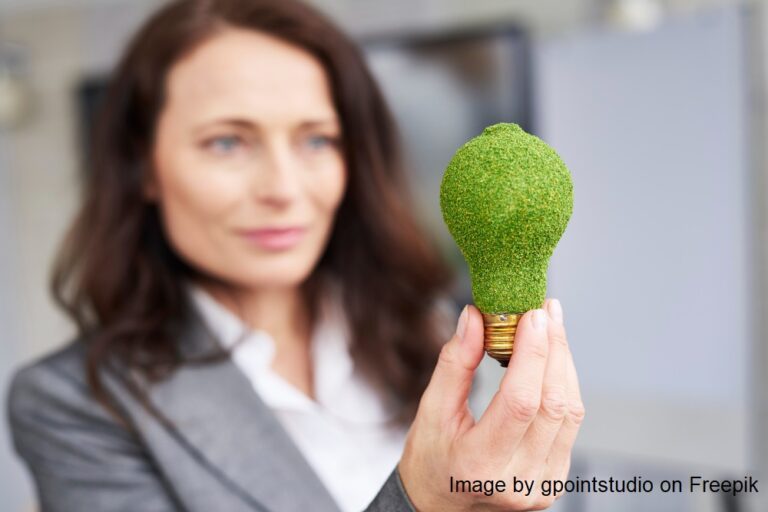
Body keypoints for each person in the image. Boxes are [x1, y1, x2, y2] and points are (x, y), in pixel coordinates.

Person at [6, 0, 585, 511]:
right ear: (144, 167)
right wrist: (422, 504)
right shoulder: (74, 407)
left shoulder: (426, 328)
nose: (284, 188)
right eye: (227, 141)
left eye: (316, 140)